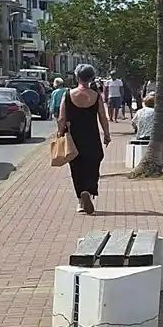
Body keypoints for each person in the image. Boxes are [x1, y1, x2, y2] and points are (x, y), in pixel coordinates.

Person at [57, 64, 111, 215]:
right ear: (91, 78)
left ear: (77, 77)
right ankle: (89, 189)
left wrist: (60, 133)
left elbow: (61, 118)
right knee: (94, 162)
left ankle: (81, 200)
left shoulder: (68, 95)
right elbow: (103, 117)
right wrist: (106, 134)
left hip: (74, 136)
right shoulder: (95, 96)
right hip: (91, 136)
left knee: (76, 167)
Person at [132, 92, 163, 166]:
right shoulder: (156, 112)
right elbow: (161, 128)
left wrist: (138, 128)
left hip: (140, 137)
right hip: (152, 138)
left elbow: (133, 123)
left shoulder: (139, 111)